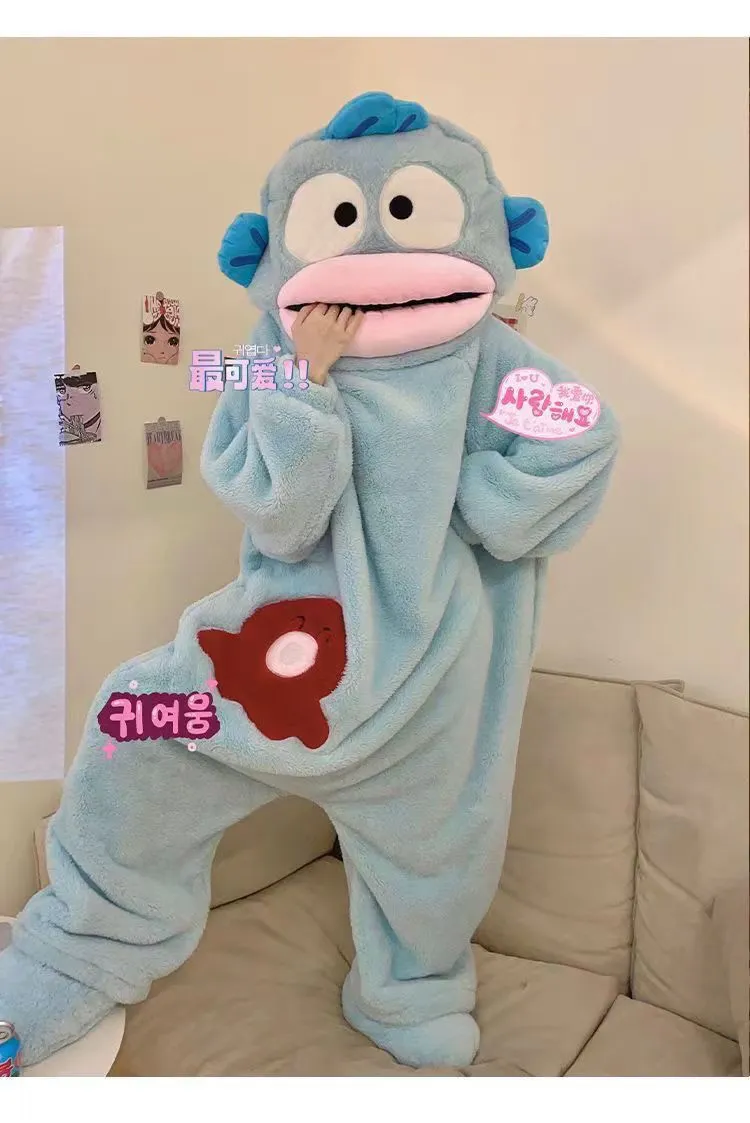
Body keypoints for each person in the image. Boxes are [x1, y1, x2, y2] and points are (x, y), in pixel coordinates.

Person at [0, 92, 618, 1071]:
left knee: (434, 855)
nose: (372, 256)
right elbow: (283, 514)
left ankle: (410, 991)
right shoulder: (264, 360)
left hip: (426, 695)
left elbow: (580, 437)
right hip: (261, 678)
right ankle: (75, 952)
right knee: (133, 723)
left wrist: (470, 503)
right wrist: (306, 377)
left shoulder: (494, 362)